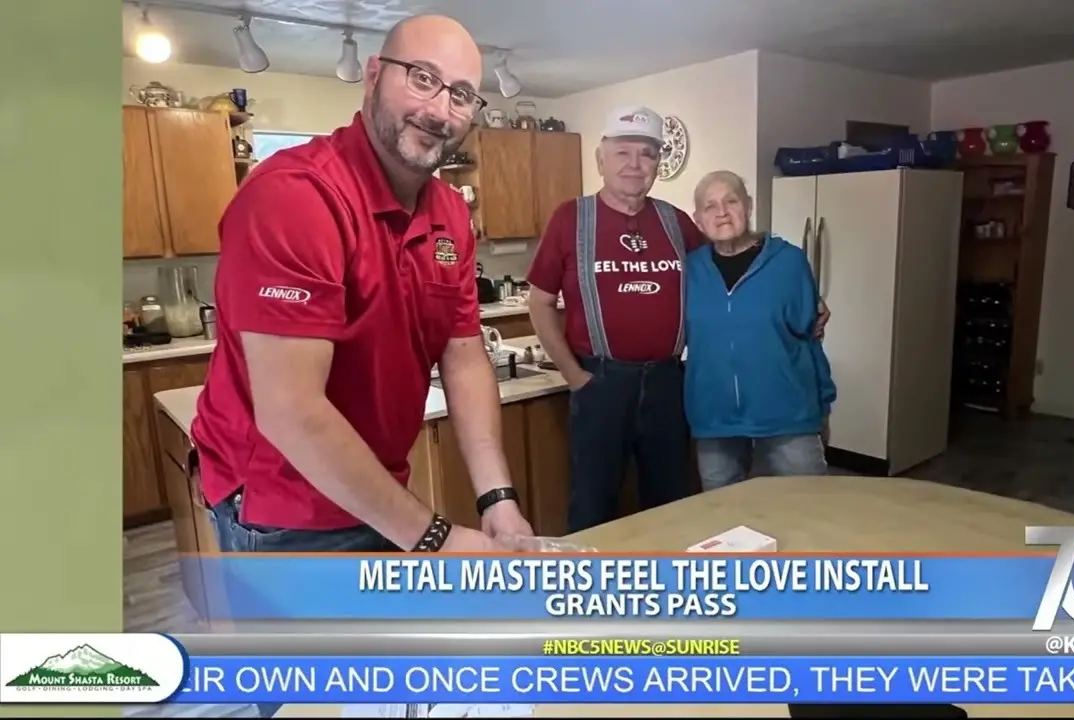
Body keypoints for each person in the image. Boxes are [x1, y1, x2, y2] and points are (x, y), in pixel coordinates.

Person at [192, 15, 533, 561]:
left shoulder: (449, 211)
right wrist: (433, 538)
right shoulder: (295, 197)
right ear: (373, 75)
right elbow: (292, 411)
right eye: (422, 78)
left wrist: (498, 500)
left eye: (462, 95)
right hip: (283, 506)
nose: (439, 110)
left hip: (375, 484)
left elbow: (464, 356)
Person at [525, 107, 830, 532]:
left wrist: (807, 299)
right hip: (602, 382)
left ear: (657, 165)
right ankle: (587, 587)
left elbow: (732, 259)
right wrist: (574, 376)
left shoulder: (675, 221)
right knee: (593, 501)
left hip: (670, 384)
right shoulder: (570, 219)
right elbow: (538, 302)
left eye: (647, 154)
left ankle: (668, 584)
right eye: (623, 153)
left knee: (671, 502)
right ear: (600, 159)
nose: (635, 165)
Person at [683, 170, 836, 490]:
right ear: (698, 220)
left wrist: (823, 407)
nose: (721, 211)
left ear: (749, 206)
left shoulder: (789, 262)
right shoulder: (688, 270)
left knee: (808, 509)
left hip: (788, 416)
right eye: (709, 206)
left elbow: (811, 338)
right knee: (723, 518)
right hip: (715, 418)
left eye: (731, 200)